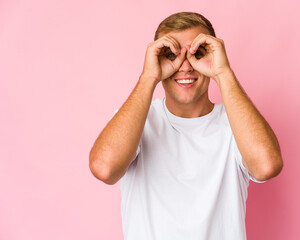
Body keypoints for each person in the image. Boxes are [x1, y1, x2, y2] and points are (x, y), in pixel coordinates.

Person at [89, 12, 283, 240]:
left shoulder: (235, 123)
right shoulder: (138, 119)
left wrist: (223, 72)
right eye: (171, 55)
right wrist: (148, 77)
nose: (185, 67)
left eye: (197, 54)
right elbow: (105, 168)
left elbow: (267, 166)